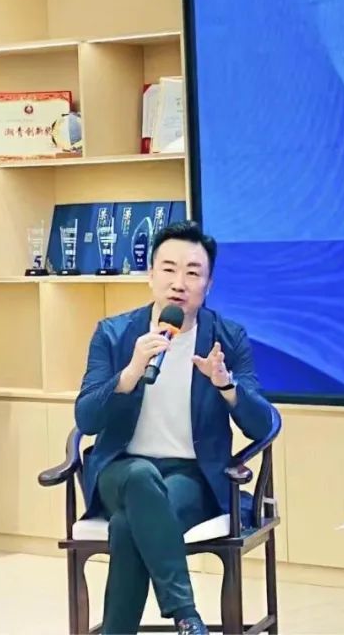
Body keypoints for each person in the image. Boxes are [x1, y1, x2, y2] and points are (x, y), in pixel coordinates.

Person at [74, 221, 277, 635]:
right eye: (168, 269)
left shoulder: (226, 338)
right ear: (150, 275)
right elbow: (87, 418)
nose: (178, 283)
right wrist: (130, 373)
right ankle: (186, 614)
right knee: (139, 476)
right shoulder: (113, 334)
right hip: (119, 469)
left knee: (128, 525)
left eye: (192, 272)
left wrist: (226, 385)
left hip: (191, 477)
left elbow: (263, 424)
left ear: (208, 284)